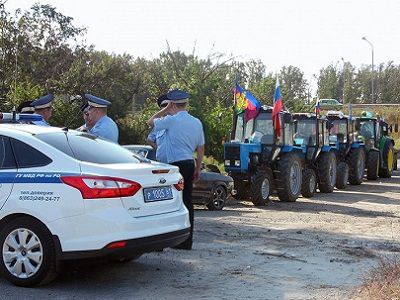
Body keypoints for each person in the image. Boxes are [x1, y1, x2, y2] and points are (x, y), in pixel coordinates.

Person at [147, 89, 205, 250]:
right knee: (187, 201)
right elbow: (201, 147)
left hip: (173, 166)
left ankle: (160, 242)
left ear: (173, 103)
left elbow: (150, 122)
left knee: (164, 202)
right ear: (186, 103)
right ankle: (186, 242)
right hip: (189, 163)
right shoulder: (196, 122)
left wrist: (165, 109)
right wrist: (198, 168)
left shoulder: (171, 120)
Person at [146, 94, 170, 163]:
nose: (165, 107)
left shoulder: (176, 120)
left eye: (167, 105)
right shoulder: (158, 124)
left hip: (177, 162)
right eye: (163, 105)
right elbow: (149, 140)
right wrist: (159, 149)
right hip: (162, 163)